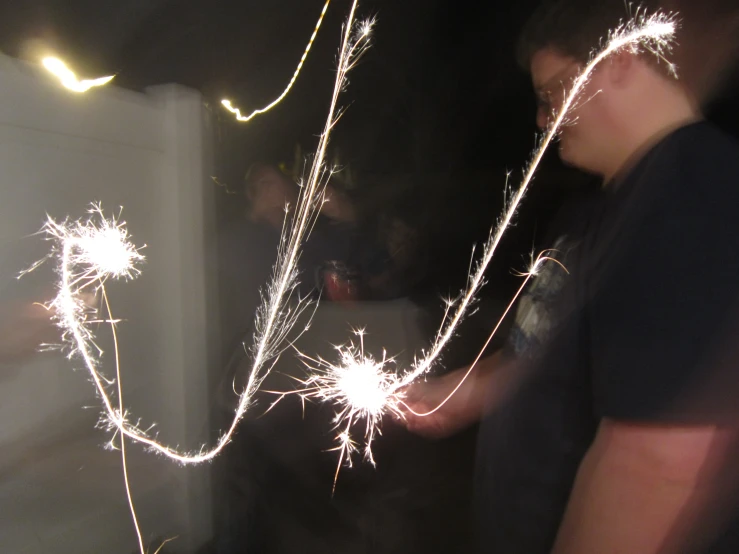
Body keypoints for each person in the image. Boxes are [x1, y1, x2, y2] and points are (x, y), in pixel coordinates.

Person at [403, 1, 739, 552]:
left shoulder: (692, 193)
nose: (543, 118)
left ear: (620, 61)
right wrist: (456, 396)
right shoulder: (597, 211)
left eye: (552, 90)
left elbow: (657, 466)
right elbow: (540, 352)